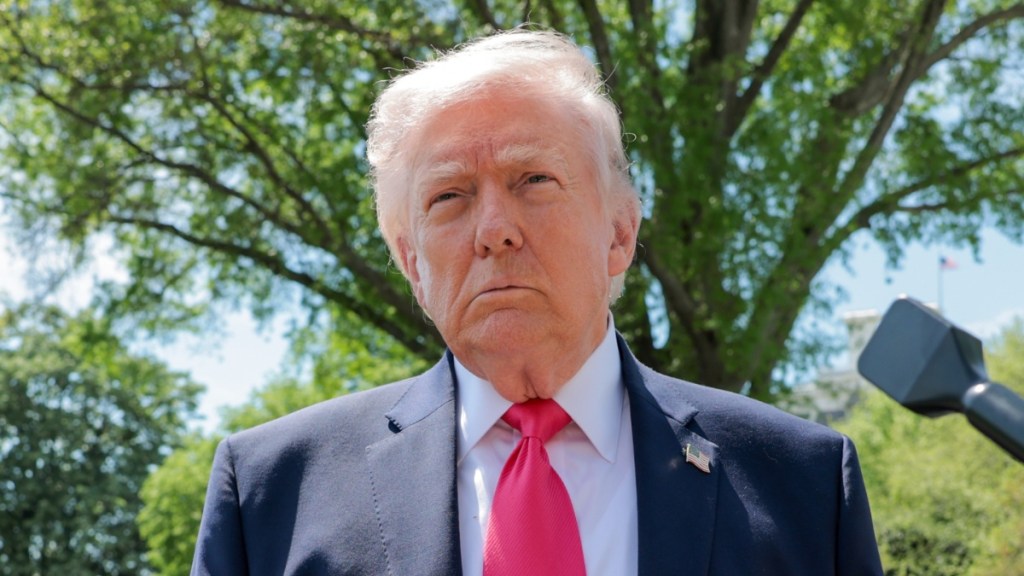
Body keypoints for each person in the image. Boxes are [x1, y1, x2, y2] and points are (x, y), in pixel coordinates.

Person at [191, 30, 883, 576]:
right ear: (411, 264)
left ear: (619, 232)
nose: (495, 229)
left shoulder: (805, 483)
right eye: (449, 196)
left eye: (534, 179)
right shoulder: (268, 493)